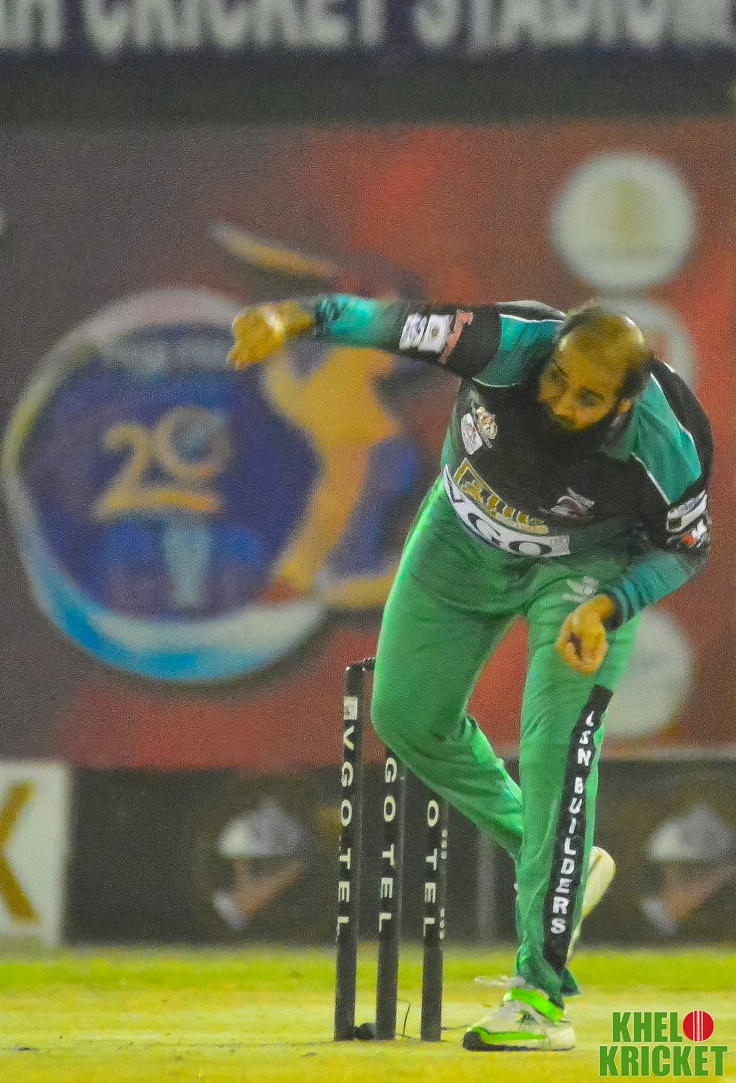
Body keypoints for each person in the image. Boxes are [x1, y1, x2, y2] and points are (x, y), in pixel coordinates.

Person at [229, 294, 713, 1051]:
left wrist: (611, 605)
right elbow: (393, 326)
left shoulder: (667, 445)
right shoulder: (505, 344)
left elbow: (685, 548)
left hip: (584, 572)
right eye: (557, 379)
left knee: (555, 753)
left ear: (626, 401)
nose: (561, 402)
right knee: (405, 717)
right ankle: (562, 860)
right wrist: (294, 319)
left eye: (588, 398)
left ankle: (540, 1000)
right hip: (460, 536)